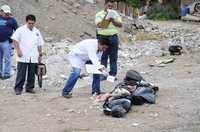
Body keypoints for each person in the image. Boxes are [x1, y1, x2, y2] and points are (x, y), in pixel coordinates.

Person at [11, 14, 44, 95]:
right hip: (23, 55)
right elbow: (15, 40)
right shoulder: (20, 30)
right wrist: (18, 50)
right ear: (26, 22)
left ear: (35, 23)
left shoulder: (37, 31)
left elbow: (39, 44)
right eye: (29, 23)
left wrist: (40, 54)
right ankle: (18, 88)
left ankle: (29, 88)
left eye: (32, 23)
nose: (31, 25)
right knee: (21, 73)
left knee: (32, 74)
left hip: (33, 56)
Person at [95, 0, 122, 80]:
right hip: (102, 37)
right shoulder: (99, 14)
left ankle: (112, 75)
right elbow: (99, 25)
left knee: (113, 57)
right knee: (103, 56)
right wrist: (106, 19)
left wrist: (113, 20)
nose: (110, 7)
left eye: (111, 6)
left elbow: (120, 25)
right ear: (105, 5)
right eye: (109, 6)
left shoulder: (115, 14)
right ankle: (103, 75)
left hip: (113, 37)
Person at [0, 5, 18, 79]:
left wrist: (15, 39)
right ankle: (0, 73)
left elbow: (17, 30)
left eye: (8, 13)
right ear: (1, 12)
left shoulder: (12, 20)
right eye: (5, 13)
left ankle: (7, 74)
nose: (7, 15)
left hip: (7, 42)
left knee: (7, 58)